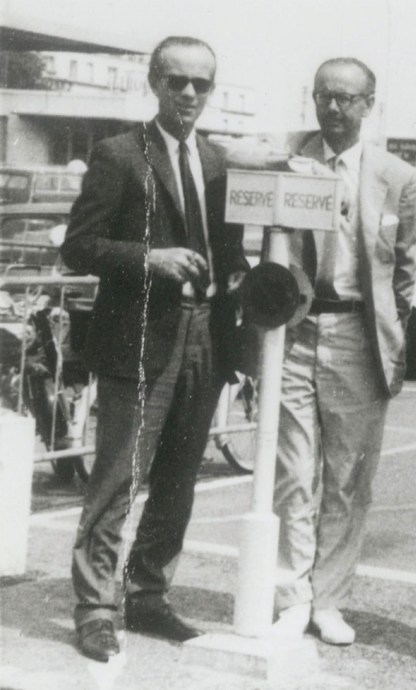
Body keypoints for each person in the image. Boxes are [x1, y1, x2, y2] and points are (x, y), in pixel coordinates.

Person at [61, 36, 248, 662]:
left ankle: (147, 595)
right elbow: (79, 247)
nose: (190, 94)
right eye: (177, 81)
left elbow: (232, 254)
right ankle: (94, 607)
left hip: (206, 334)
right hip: (140, 335)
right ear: (154, 82)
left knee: (178, 477)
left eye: (202, 84)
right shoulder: (119, 154)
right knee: (118, 476)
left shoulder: (221, 161)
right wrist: (150, 258)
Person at [270, 57, 416, 646]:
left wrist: (391, 334)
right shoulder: (289, 157)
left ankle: (329, 600)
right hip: (295, 328)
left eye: (346, 99)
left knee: (348, 479)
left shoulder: (396, 175)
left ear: (369, 103)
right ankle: (290, 595)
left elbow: (404, 268)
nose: (333, 108)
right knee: (292, 472)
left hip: (359, 336)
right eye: (323, 96)